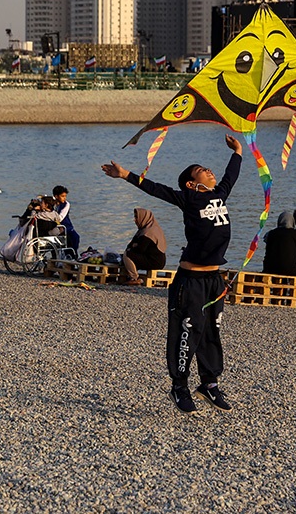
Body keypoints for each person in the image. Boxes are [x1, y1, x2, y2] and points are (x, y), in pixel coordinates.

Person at [101, 134, 243, 414]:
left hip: (214, 280)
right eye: (202, 170)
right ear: (192, 183)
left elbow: (231, 176)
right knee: (186, 331)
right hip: (190, 281)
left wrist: (237, 151)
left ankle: (209, 384)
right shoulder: (188, 198)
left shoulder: (219, 194)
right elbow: (156, 189)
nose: (209, 170)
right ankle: (179, 386)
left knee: (211, 331)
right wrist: (125, 174)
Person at [123, 207, 167, 283]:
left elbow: (140, 249)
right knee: (126, 254)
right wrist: (134, 246)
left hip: (155, 261)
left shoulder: (149, 232)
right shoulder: (142, 231)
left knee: (127, 255)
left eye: (136, 217)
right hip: (150, 258)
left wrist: (133, 246)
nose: (134, 220)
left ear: (143, 218)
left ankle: (134, 278)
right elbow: (130, 245)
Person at [52, 185, 80, 252]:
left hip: (67, 227)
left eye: (65, 196)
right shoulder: (53, 205)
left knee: (75, 238)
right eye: (62, 196)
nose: (64, 198)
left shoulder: (66, 204)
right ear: (56, 196)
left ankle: (74, 254)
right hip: (57, 228)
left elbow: (60, 217)